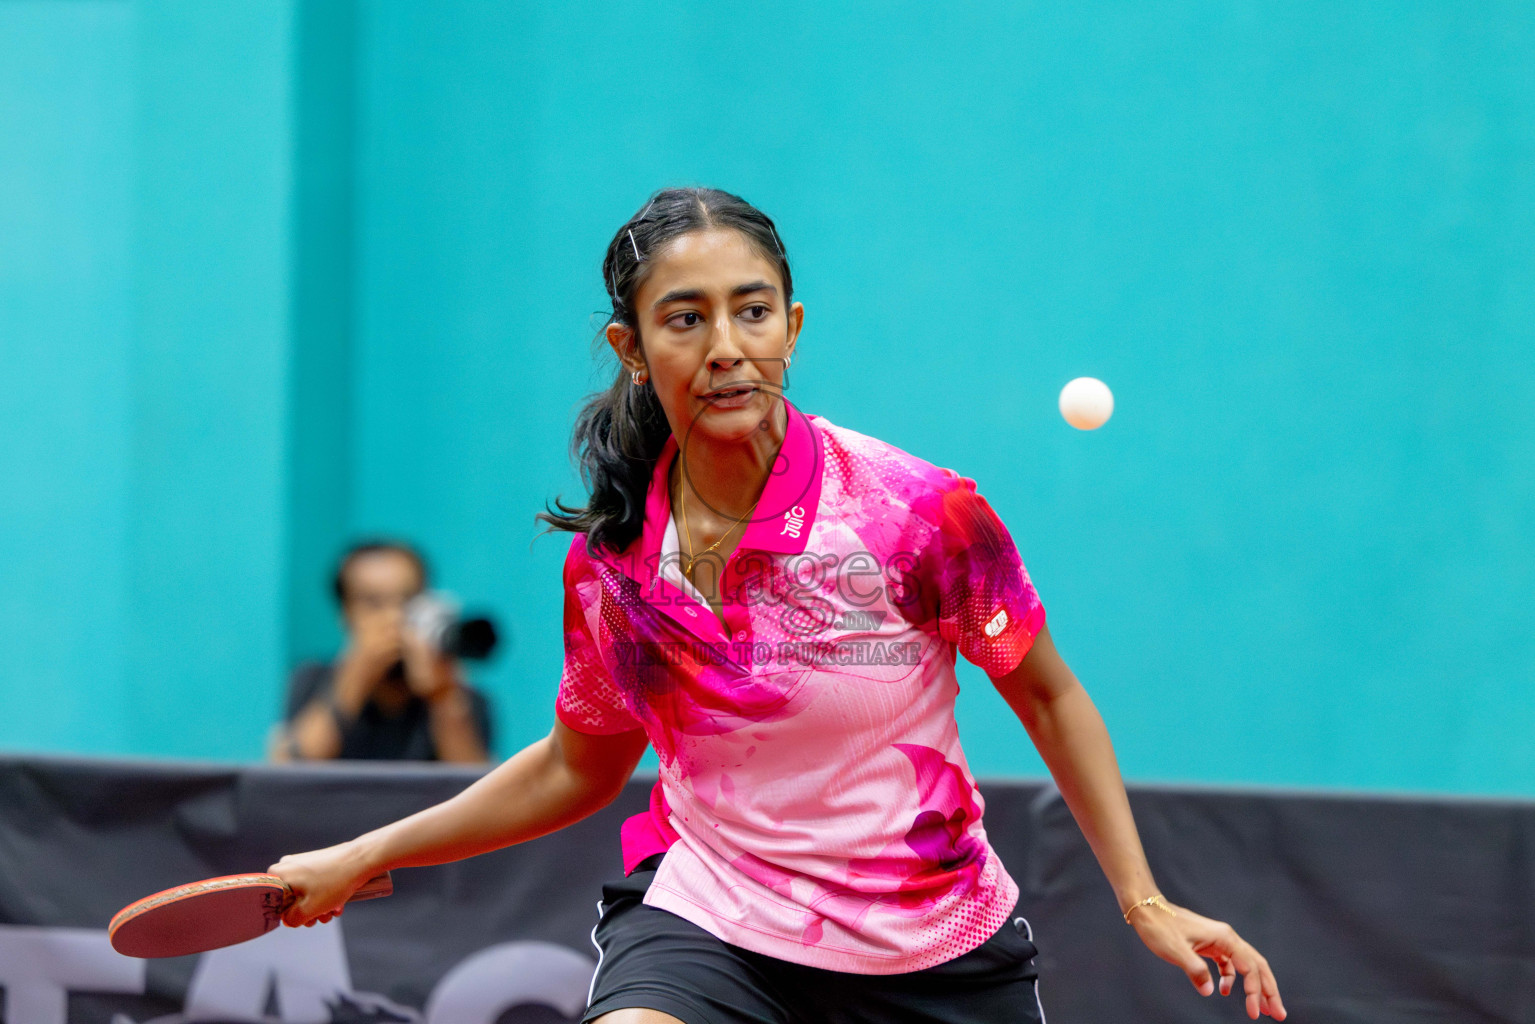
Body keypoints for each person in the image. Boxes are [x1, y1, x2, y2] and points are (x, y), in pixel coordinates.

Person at [268, 188, 1285, 1022]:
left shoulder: (912, 515)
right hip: (713, 925)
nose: (725, 345)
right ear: (630, 348)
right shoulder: (617, 561)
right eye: (685, 317)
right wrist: (369, 850)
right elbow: (579, 766)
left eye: (751, 311)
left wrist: (1141, 898)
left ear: (790, 327)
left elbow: (1048, 695)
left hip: (925, 947)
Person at [271, 540, 493, 764]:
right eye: (374, 603)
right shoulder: (312, 681)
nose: (394, 616)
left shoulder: (461, 697)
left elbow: (480, 789)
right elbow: (289, 773)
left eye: (408, 600)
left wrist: (443, 697)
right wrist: (354, 680)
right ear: (345, 612)